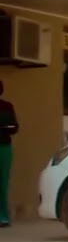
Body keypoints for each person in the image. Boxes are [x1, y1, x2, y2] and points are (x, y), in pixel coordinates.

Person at [0, 79, 19, 228]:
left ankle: (3, 217)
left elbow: (14, 127)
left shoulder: (6, 106)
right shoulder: (7, 106)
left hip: (3, 146)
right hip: (4, 146)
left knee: (2, 182)